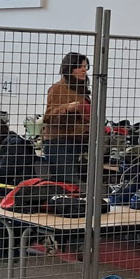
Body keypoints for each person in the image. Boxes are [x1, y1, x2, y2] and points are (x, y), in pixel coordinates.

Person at [43, 53, 91, 183]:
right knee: (68, 182)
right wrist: (67, 108)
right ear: (69, 68)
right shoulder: (57, 89)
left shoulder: (81, 89)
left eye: (85, 66)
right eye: (79, 66)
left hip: (77, 142)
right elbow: (48, 117)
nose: (84, 70)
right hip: (60, 143)